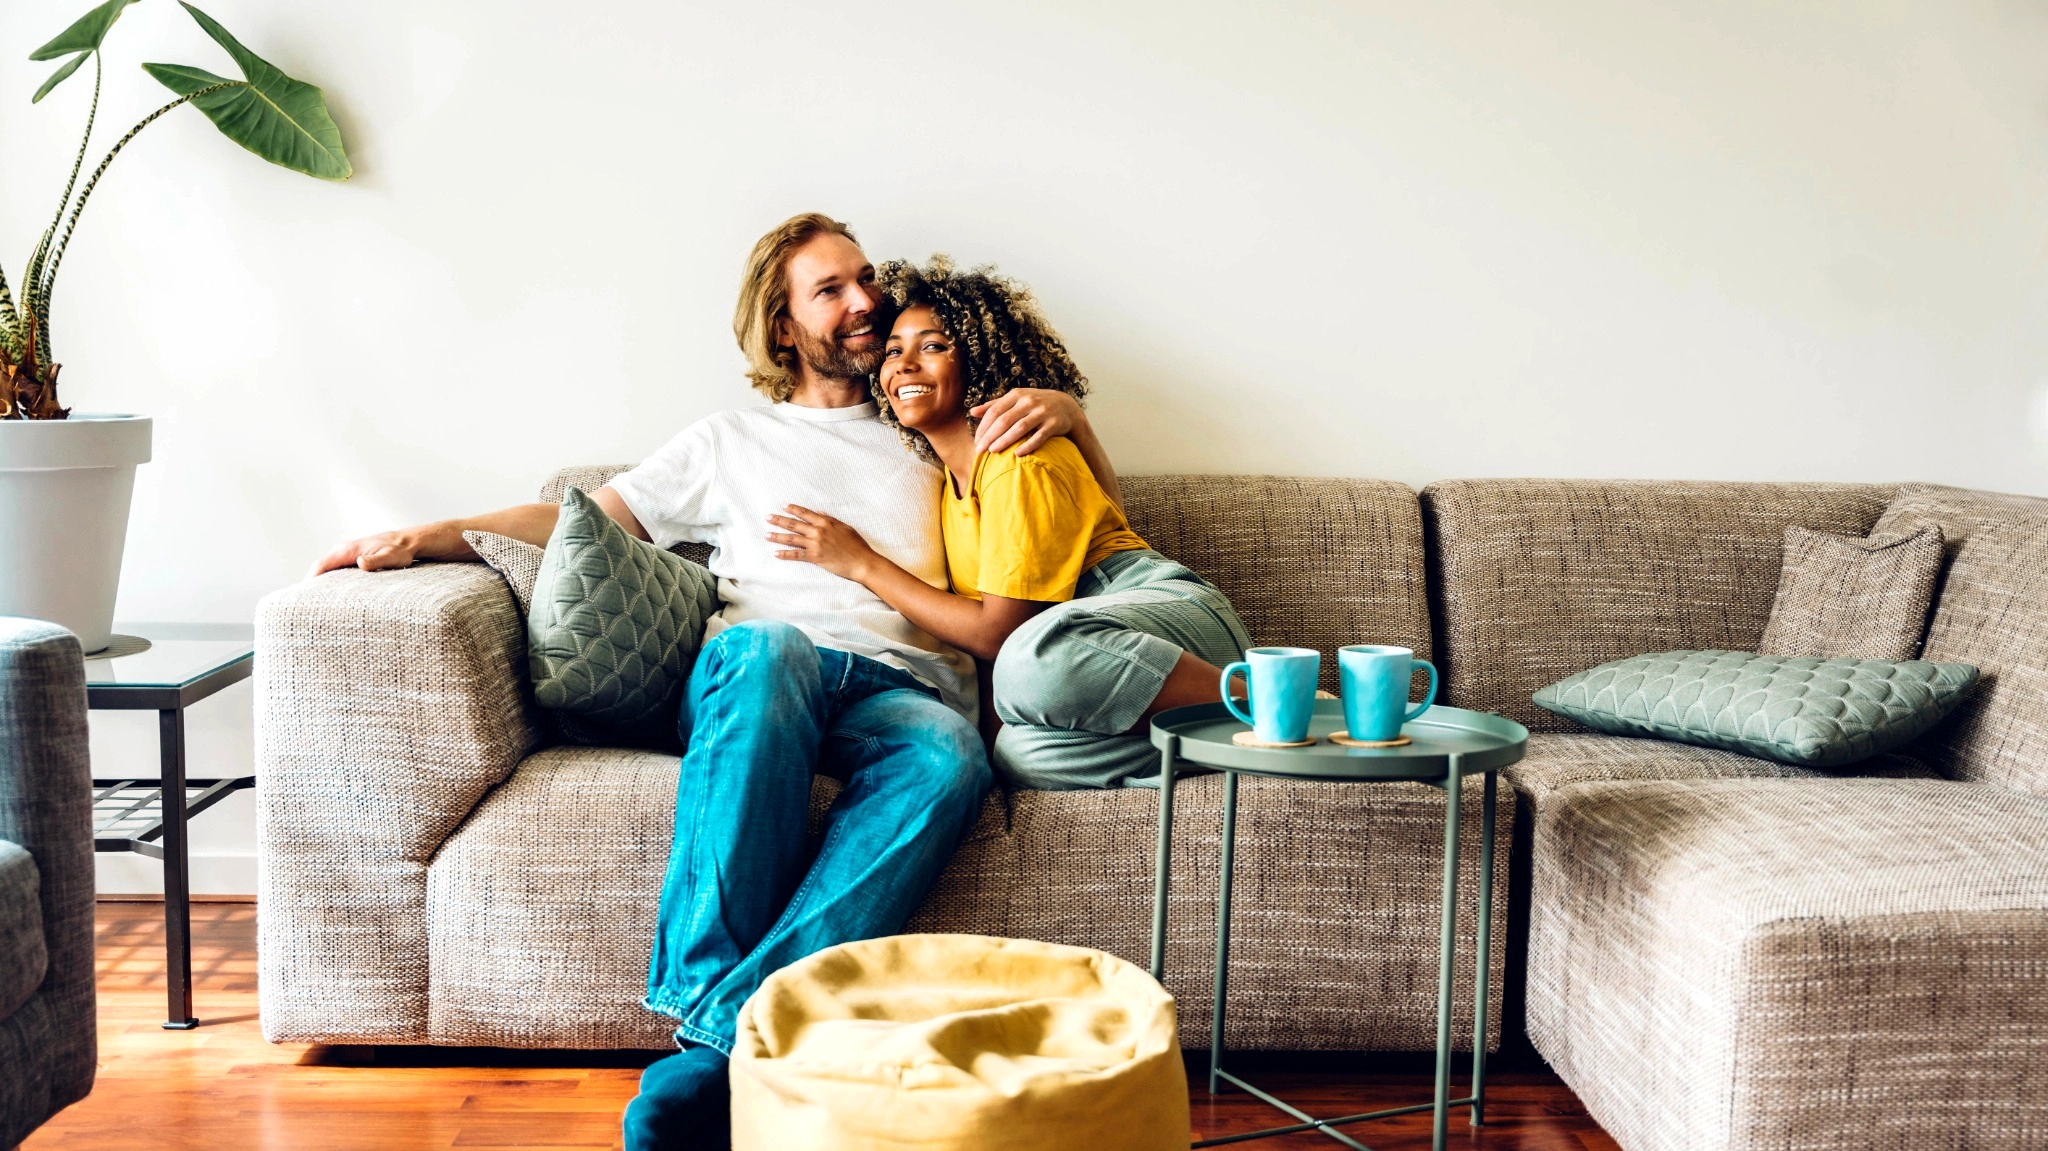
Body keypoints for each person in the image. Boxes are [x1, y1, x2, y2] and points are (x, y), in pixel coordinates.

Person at [309, 215, 1124, 1150]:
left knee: (948, 757)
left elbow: (1072, 496)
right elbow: (581, 521)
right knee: (768, 647)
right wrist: (428, 535)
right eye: (831, 291)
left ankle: (718, 1033)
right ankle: (722, 1018)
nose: (865, 302)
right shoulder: (731, 439)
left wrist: (1070, 410)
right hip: (763, 668)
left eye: (865, 281)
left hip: (900, 688)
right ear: (784, 329)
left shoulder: (925, 424)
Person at [768, 257, 1251, 791]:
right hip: (1090, 658)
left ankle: (1279, 701)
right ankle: (1236, 742)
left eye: (933, 345)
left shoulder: (1017, 457)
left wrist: (863, 564)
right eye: (893, 350)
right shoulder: (948, 485)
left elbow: (999, 635)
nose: (904, 364)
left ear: (977, 358)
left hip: (1163, 620)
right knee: (1020, 754)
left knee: (1028, 658)